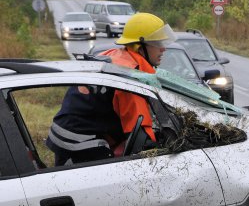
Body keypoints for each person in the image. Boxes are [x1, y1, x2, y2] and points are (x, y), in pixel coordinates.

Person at [46, 12, 176, 165]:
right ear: (140, 46)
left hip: (66, 132)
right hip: (77, 140)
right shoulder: (130, 79)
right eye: (158, 44)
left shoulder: (117, 57)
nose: (163, 49)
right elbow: (141, 133)